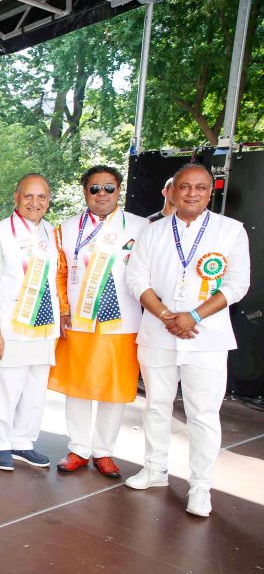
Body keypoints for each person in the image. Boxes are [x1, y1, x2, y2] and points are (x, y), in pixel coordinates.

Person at [124, 164, 250, 517]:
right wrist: (166, 315)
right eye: (184, 186)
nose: (192, 193)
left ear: (210, 192)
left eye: (200, 187)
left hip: (207, 338)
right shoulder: (153, 231)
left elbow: (237, 285)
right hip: (157, 333)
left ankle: (201, 486)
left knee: (203, 415)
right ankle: (154, 469)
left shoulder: (231, 231)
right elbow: (136, 279)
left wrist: (193, 316)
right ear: (172, 191)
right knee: (156, 406)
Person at [49, 166, 148, 477]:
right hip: (78, 319)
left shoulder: (141, 227)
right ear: (85, 192)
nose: (101, 194)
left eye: (108, 187)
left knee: (114, 388)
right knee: (77, 386)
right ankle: (79, 448)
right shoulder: (66, 229)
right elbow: (58, 273)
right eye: (94, 188)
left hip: (123, 321)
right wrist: (63, 309)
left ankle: (104, 450)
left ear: (119, 190)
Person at [0, 174, 60, 472]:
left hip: (44, 326)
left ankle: (23, 440)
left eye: (41, 197)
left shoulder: (51, 232)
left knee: (35, 388)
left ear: (48, 200)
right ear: (16, 197)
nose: (35, 203)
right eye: (28, 196)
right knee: (4, 388)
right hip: (10, 325)